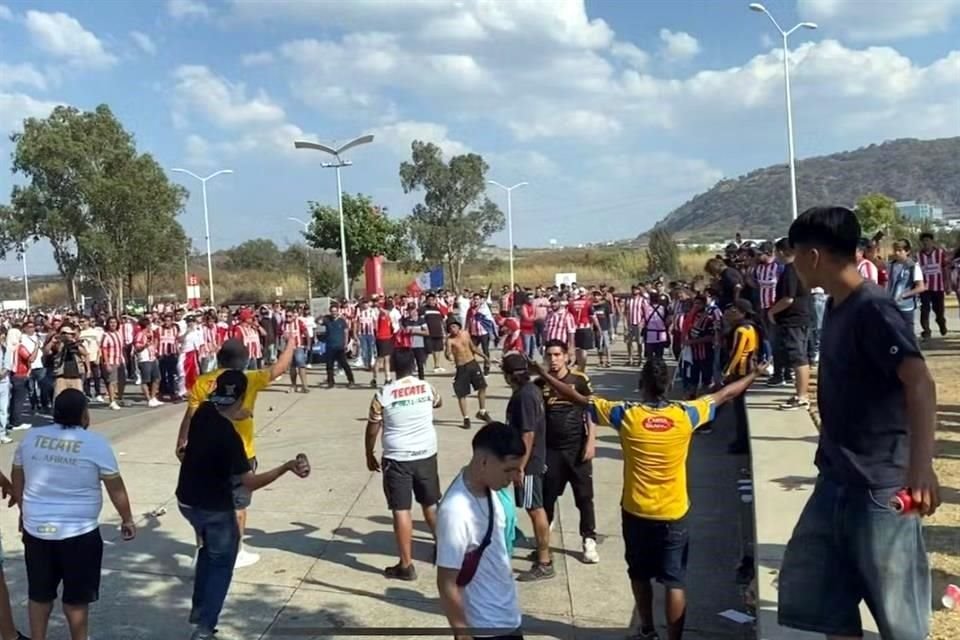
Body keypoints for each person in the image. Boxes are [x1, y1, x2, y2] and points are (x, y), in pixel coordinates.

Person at [778, 206, 939, 640]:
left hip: (880, 487)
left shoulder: (874, 309)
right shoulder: (835, 305)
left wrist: (921, 469)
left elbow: (920, 383)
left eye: (794, 255)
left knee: (899, 618)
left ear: (813, 256)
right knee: (824, 601)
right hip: (836, 477)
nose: (792, 265)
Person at [532, 357, 758, 640]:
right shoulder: (687, 414)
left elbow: (576, 397)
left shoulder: (625, 414)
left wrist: (543, 373)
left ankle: (648, 630)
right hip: (674, 512)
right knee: (674, 581)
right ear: (668, 385)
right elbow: (727, 393)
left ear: (641, 386)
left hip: (636, 510)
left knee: (639, 574)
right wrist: (755, 374)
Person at [176, 370, 309, 640]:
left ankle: (199, 607)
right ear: (241, 396)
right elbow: (249, 482)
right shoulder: (229, 438)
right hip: (214, 507)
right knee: (223, 562)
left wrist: (240, 413)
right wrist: (286, 467)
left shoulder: (203, 411)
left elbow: (188, 443)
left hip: (186, 501)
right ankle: (204, 627)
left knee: (207, 549)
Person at [11, 389, 136, 640]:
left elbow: (18, 474)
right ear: (83, 415)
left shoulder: (31, 438)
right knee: (76, 600)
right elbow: (115, 487)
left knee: (39, 594)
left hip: (37, 530)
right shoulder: (96, 444)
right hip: (79, 534)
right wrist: (127, 519)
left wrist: (24, 510)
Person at [177, 338, 296, 570]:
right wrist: (291, 342)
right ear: (243, 360)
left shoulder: (202, 381)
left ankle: (202, 548)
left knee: (206, 505)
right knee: (239, 506)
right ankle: (237, 551)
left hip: (206, 452)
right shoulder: (248, 379)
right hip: (241, 453)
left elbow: (190, 415)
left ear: (219, 358)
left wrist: (182, 441)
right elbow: (279, 368)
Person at [436, 421, 524, 640]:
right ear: (484, 462)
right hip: (486, 626)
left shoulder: (493, 490)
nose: (515, 478)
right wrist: (462, 632)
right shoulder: (456, 511)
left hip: (508, 616)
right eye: (509, 470)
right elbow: (446, 581)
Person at [365, 350, 443, 581]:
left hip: (397, 458)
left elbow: (372, 427)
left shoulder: (383, 394)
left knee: (401, 509)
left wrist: (369, 452)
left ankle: (406, 565)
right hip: (426, 454)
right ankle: (444, 548)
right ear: (413, 365)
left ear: (393, 366)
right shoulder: (427, 387)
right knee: (430, 503)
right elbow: (439, 403)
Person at [537, 340, 599, 564]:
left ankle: (589, 540)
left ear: (565, 356)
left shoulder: (579, 380)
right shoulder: (540, 383)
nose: (553, 359)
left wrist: (591, 441)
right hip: (552, 451)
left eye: (557, 355)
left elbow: (592, 410)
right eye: (549, 355)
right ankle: (544, 539)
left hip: (577, 449)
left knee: (584, 497)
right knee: (547, 498)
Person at [501, 354, 552, 582]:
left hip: (529, 464)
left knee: (534, 509)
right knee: (533, 507)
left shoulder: (524, 397)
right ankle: (543, 553)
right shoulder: (529, 392)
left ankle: (544, 561)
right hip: (530, 460)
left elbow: (528, 433)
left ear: (510, 375)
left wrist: (520, 466)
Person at [767, 238, 811, 410]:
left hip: (794, 319)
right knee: (798, 356)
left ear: (783, 252)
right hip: (800, 317)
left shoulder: (791, 270)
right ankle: (800, 393)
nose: (775, 256)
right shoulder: (800, 268)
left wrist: (772, 311)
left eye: (776, 252)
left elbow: (788, 298)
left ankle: (802, 396)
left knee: (797, 356)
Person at [723, 299, 762, 455]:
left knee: (740, 411)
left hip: (741, 371)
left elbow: (737, 354)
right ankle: (741, 441)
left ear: (742, 312)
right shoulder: (751, 327)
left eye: (734, 310)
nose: (730, 312)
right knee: (738, 410)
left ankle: (742, 443)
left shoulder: (742, 330)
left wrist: (726, 372)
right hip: (747, 370)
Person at [446, 319, 491, 429]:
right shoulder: (449, 341)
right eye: (451, 328)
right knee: (461, 393)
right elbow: (447, 353)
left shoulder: (466, 334)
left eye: (454, 326)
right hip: (461, 367)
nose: (453, 329)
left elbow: (473, 347)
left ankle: (482, 411)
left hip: (472, 363)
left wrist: (484, 356)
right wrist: (448, 355)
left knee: (482, 386)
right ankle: (466, 418)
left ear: (458, 326)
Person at [887, 239, 926, 329]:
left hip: (906, 306)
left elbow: (920, 287)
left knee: (908, 333)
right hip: (892, 305)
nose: (897, 253)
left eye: (900, 250)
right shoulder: (891, 265)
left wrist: (904, 295)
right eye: (895, 250)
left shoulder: (913, 266)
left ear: (907, 251)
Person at [916, 231, 949, 339]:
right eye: (923, 241)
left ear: (932, 242)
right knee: (924, 309)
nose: (926, 243)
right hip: (924, 288)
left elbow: (945, 268)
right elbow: (916, 271)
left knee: (939, 310)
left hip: (938, 287)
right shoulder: (918, 255)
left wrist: (947, 283)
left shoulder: (940, 253)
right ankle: (926, 330)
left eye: (928, 241)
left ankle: (941, 323)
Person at [44, 324, 87, 402]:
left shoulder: (77, 343)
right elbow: (46, 352)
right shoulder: (57, 344)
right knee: (59, 401)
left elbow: (85, 353)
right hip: (61, 377)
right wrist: (52, 342)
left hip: (76, 376)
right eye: (64, 333)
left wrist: (74, 344)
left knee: (78, 401)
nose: (66, 335)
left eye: (68, 333)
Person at [321, 303, 355, 389]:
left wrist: (346, 343)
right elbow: (317, 322)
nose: (334, 313)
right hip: (330, 346)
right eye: (332, 311)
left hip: (340, 347)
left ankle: (351, 380)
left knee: (344, 364)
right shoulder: (327, 320)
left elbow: (346, 332)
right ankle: (331, 382)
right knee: (329, 365)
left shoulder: (342, 321)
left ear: (338, 311)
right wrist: (322, 316)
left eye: (335, 311)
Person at [133, 317, 162, 407]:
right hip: (144, 359)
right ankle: (148, 399)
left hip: (152, 358)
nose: (150, 326)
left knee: (157, 378)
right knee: (146, 380)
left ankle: (153, 397)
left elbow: (155, 343)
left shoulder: (151, 334)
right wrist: (144, 346)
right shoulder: (140, 335)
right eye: (149, 324)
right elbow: (137, 348)